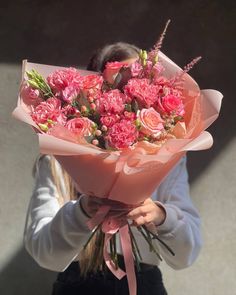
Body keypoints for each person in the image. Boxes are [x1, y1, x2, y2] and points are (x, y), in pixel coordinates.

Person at [23, 42, 202, 295]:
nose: (130, 94)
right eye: (120, 85)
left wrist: (161, 217)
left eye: (139, 84)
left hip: (144, 285)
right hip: (77, 285)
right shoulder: (56, 160)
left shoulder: (168, 158)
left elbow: (186, 255)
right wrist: (82, 212)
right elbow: (43, 253)